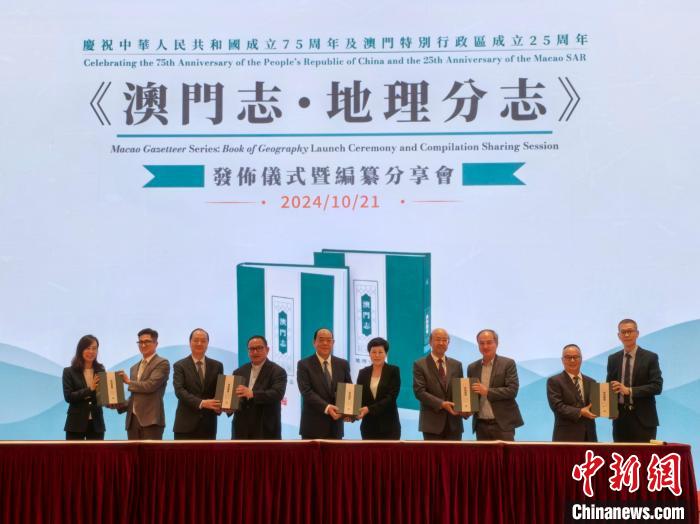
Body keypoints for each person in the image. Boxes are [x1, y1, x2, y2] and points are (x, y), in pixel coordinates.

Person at [606, 319, 663, 442]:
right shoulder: (613, 359)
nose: (627, 335)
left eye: (630, 331)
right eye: (623, 332)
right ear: (619, 335)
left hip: (644, 419)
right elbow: (609, 386)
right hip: (620, 419)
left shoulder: (650, 357)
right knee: (621, 454)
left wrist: (629, 391)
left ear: (637, 333)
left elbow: (657, 386)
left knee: (644, 454)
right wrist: (608, 408)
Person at [467, 329, 524, 441]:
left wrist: (487, 391)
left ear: (496, 343)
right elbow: (472, 395)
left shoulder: (508, 363)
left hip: (503, 424)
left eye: (489, 342)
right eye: (481, 343)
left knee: (506, 453)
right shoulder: (472, 367)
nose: (485, 346)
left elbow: (512, 390)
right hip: (481, 424)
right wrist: (466, 409)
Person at [297, 327, 352, 439]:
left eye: (328, 340)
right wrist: (327, 407)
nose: (325, 343)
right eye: (321, 340)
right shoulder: (304, 364)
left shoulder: (343, 364)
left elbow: (348, 389)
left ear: (333, 343)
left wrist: (349, 412)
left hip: (336, 426)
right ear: (314, 342)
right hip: (312, 426)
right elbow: (306, 392)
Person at [413, 328, 467, 440]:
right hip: (431, 425)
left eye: (444, 340)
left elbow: (461, 392)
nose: (441, 343)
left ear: (448, 343)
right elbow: (419, 392)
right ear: (430, 342)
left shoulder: (456, 365)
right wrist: (441, 404)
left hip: (454, 424)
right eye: (438, 339)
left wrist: (466, 408)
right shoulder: (420, 364)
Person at [230, 335, 287, 440]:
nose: (255, 352)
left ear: (267, 350)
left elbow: (277, 394)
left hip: (265, 428)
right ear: (248, 351)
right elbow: (236, 399)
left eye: (259, 348)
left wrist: (252, 394)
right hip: (241, 429)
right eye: (251, 349)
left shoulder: (278, 371)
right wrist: (229, 408)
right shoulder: (239, 371)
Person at [118, 328, 170, 440]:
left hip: (151, 420)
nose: (143, 345)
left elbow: (150, 386)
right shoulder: (134, 368)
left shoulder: (162, 363)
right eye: (140, 342)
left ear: (156, 344)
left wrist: (128, 381)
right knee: (133, 452)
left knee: (151, 452)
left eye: (147, 341)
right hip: (132, 421)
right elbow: (135, 396)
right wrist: (117, 403)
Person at [173, 328, 224, 440]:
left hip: (208, 425)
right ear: (190, 342)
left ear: (207, 343)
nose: (199, 343)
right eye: (196, 340)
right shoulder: (180, 365)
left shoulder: (217, 365)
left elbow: (219, 392)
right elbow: (179, 391)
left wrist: (221, 405)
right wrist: (202, 403)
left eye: (203, 340)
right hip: (185, 425)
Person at [546, 344, 598, 442]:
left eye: (576, 357)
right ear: (562, 360)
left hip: (589, 436)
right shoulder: (554, 381)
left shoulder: (591, 382)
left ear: (581, 359)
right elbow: (557, 406)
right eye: (568, 357)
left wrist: (607, 410)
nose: (572, 360)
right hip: (566, 436)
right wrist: (580, 412)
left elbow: (595, 406)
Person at [356, 337, 401, 440]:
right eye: (373, 352)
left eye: (380, 352)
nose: (377, 355)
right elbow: (359, 398)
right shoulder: (363, 373)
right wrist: (350, 414)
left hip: (389, 426)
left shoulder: (393, 371)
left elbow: (391, 397)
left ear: (386, 353)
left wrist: (369, 409)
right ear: (369, 354)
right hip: (368, 426)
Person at [62, 334, 105, 440]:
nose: (91, 351)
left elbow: (102, 397)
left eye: (94, 348)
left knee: (96, 451)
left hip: (96, 424)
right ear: (80, 350)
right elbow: (69, 397)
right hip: (75, 424)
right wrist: (90, 389)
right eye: (88, 348)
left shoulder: (101, 370)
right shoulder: (69, 371)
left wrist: (112, 398)